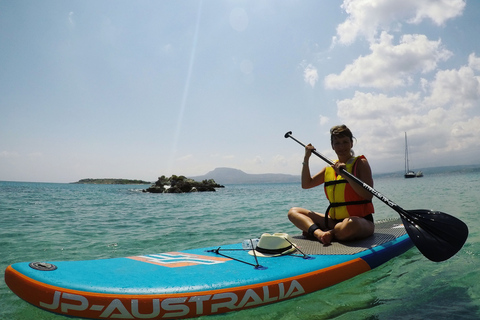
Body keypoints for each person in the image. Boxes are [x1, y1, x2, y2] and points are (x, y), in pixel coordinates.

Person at [287, 125, 375, 245]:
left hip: (360, 221)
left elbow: (368, 195)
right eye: (337, 143)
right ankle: (320, 234)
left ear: (351, 143)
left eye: (345, 142)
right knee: (293, 212)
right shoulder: (329, 168)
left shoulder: (360, 163)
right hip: (333, 221)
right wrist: (306, 158)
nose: (341, 146)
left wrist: (346, 176)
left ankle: (330, 233)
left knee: (351, 224)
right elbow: (306, 184)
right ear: (332, 146)